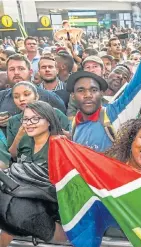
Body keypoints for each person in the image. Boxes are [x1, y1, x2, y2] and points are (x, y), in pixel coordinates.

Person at [68, 19, 141, 152]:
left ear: (101, 93)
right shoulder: (75, 124)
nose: (88, 95)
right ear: (73, 96)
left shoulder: (114, 114)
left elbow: (138, 83)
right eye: (81, 90)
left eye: (93, 90)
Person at [0, 101, 67, 246]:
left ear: (48, 120)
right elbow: (20, 169)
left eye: (35, 118)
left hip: (49, 199)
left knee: (19, 207)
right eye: (26, 119)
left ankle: (66, 239)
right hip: (24, 192)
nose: (29, 123)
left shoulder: (60, 145)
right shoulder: (25, 141)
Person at [0, 54, 66, 131]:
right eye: (12, 69)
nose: (16, 72)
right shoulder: (2, 96)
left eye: (21, 69)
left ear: (30, 72)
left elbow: (62, 128)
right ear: (7, 73)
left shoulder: (49, 97)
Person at [7, 81, 69, 158]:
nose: (21, 99)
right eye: (16, 97)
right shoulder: (13, 121)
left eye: (26, 94)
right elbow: (13, 156)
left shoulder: (54, 113)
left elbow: (70, 141)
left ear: (36, 97)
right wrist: (19, 135)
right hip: (24, 165)